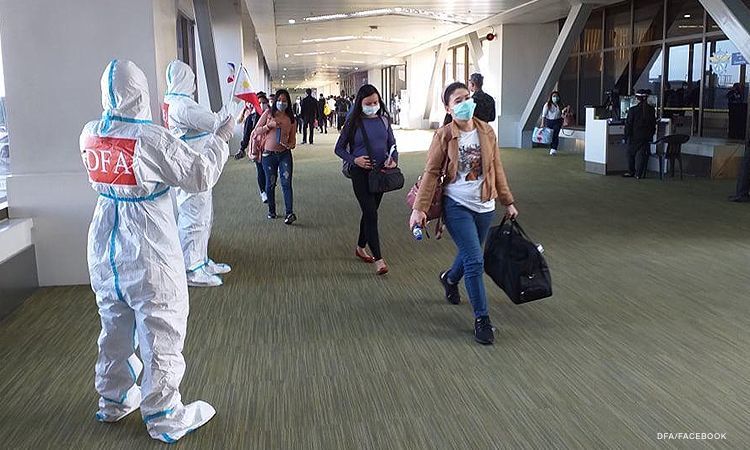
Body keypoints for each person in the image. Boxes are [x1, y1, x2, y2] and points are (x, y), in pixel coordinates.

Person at [81, 59, 231, 443]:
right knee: (162, 325)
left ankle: (114, 398)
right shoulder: (150, 139)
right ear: (141, 92)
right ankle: (163, 413)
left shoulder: (89, 134)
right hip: (148, 248)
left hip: (105, 247)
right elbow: (198, 175)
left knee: (114, 326)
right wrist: (220, 139)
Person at [409, 81, 518, 346]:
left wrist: (508, 201)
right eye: (458, 100)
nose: (465, 103)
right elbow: (431, 172)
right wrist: (419, 209)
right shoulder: (444, 135)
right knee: (475, 261)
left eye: (467, 97)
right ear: (448, 108)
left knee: (470, 253)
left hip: (485, 206)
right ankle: (482, 319)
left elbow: (497, 168)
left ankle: (449, 279)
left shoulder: (487, 131)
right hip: (457, 205)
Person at [164, 60, 233, 287]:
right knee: (193, 219)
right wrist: (230, 111)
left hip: (196, 167)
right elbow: (214, 123)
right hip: (192, 169)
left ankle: (201, 261)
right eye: (192, 79)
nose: (194, 84)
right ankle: (191, 269)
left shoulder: (175, 102)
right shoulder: (183, 106)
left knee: (202, 217)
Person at [334, 84, 398, 276]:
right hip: (359, 173)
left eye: (375, 102)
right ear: (359, 103)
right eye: (368, 103)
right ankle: (379, 259)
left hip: (380, 173)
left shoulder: (384, 120)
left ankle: (360, 247)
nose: (372, 106)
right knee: (371, 212)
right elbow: (339, 149)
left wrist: (394, 159)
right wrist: (355, 160)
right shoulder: (353, 123)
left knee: (370, 212)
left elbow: (392, 144)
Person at [252, 89, 298, 224]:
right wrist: (269, 126)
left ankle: (289, 213)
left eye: (284, 101)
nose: (281, 103)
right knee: (270, 183)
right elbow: (256, 131)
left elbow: (293, 140)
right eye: (279, 100)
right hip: (268, 155)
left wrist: (290, 145)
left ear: (288, 102)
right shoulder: (268, 114)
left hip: (284, 155)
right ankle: (272, 211)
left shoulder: (291, 119)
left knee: (286, 183)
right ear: (275, 101)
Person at [238, 92, 270, 203]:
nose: (262, 105)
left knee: (269, 172)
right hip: (257, 150)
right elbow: (246, 135)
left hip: (269, 149)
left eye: (264, 102)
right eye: (259, 103)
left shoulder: (271, 117)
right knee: (261, 170)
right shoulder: (251, 118)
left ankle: (268, 189)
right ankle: (263, 192)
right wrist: (242, 148)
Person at [624, 89, 657, 179]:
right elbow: (653, 124)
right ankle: (639, 174)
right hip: (646, 137)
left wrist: (626, 136)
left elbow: (628, 125)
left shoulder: (633, 110)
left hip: (635, 136)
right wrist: (651, 134)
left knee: (630, 153)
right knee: (642, 155)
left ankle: (631, 172)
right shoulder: (651, 110)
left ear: (637, 98)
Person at [541, 91, 564, 156]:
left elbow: (562, 114)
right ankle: (552, 148)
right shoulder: (547, 105)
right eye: (554, 96)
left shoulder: (560, 105)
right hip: (549, 121)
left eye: (557, 96)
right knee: (550, 135)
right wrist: (542, 123)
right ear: (551, 97)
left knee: (555, 135)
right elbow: (544, 115)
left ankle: (554, 149)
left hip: (558, 121)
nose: (555, 98)